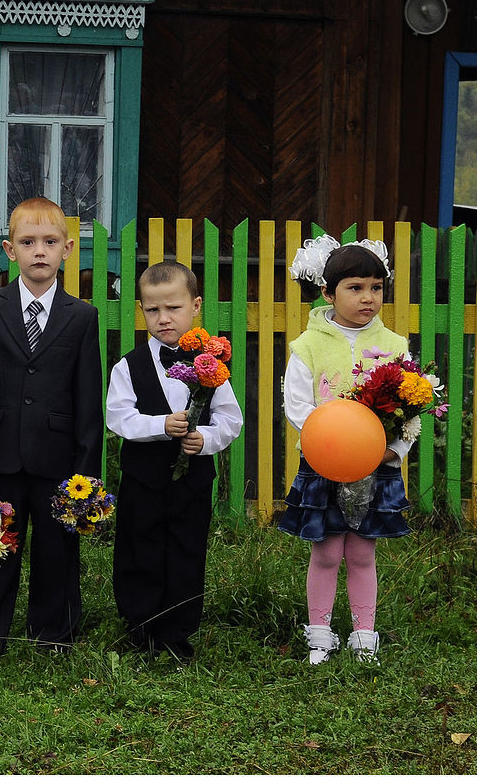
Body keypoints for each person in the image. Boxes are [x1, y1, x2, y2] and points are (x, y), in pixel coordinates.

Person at [0, 197, 103, 662]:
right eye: (28, 242)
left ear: (67, 249)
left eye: (50, 242)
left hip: (57, 459)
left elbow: (87, 398)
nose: (40, 251)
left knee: (57, 551)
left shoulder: (81, 316)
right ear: (9, 249)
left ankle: (53, 637)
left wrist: (87, 468)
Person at [277, 236, 410, 664]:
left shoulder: (395, 346)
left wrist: (396, 448)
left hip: (378, 465)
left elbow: (413, 405)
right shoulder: (308, 346)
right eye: (355, 288)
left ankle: (364, 635)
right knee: (328, 549)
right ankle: (319, 635)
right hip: (325, 462)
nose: (368, 298)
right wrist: (331, 444)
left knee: (362, 550)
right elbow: (297, 405)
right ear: (327, 293)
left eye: (376, 287)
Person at [106, 261, 244, 661]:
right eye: (152, 310)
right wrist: (161, 425)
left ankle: (178, 633)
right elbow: (119, 417)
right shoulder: (127, 367)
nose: (163, 319)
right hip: (142, 480)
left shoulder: (212, 366)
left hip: (192, 481)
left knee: (186, 551)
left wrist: (206, 439)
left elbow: (229, 419)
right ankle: (140, 629)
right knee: (139, 549)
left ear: (195, 306)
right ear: (142, 310)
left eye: (174, 308)